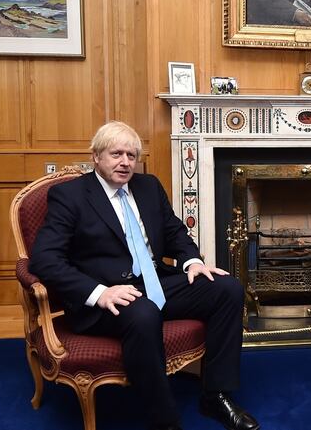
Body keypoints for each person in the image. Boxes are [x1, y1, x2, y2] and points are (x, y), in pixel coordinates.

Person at [29, 121, 259, 430]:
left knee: (227, 288)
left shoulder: (148, 186)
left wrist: (192, 262)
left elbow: (174, 232)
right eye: (116, 154)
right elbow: (44, 259)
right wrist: (99, 292)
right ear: (96, 157)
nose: (125, 162)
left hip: (154, 281)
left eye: (132, 155)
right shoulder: (70, 195)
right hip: (107, 297)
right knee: (143, 312)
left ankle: (215, 395)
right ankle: (164, 421)